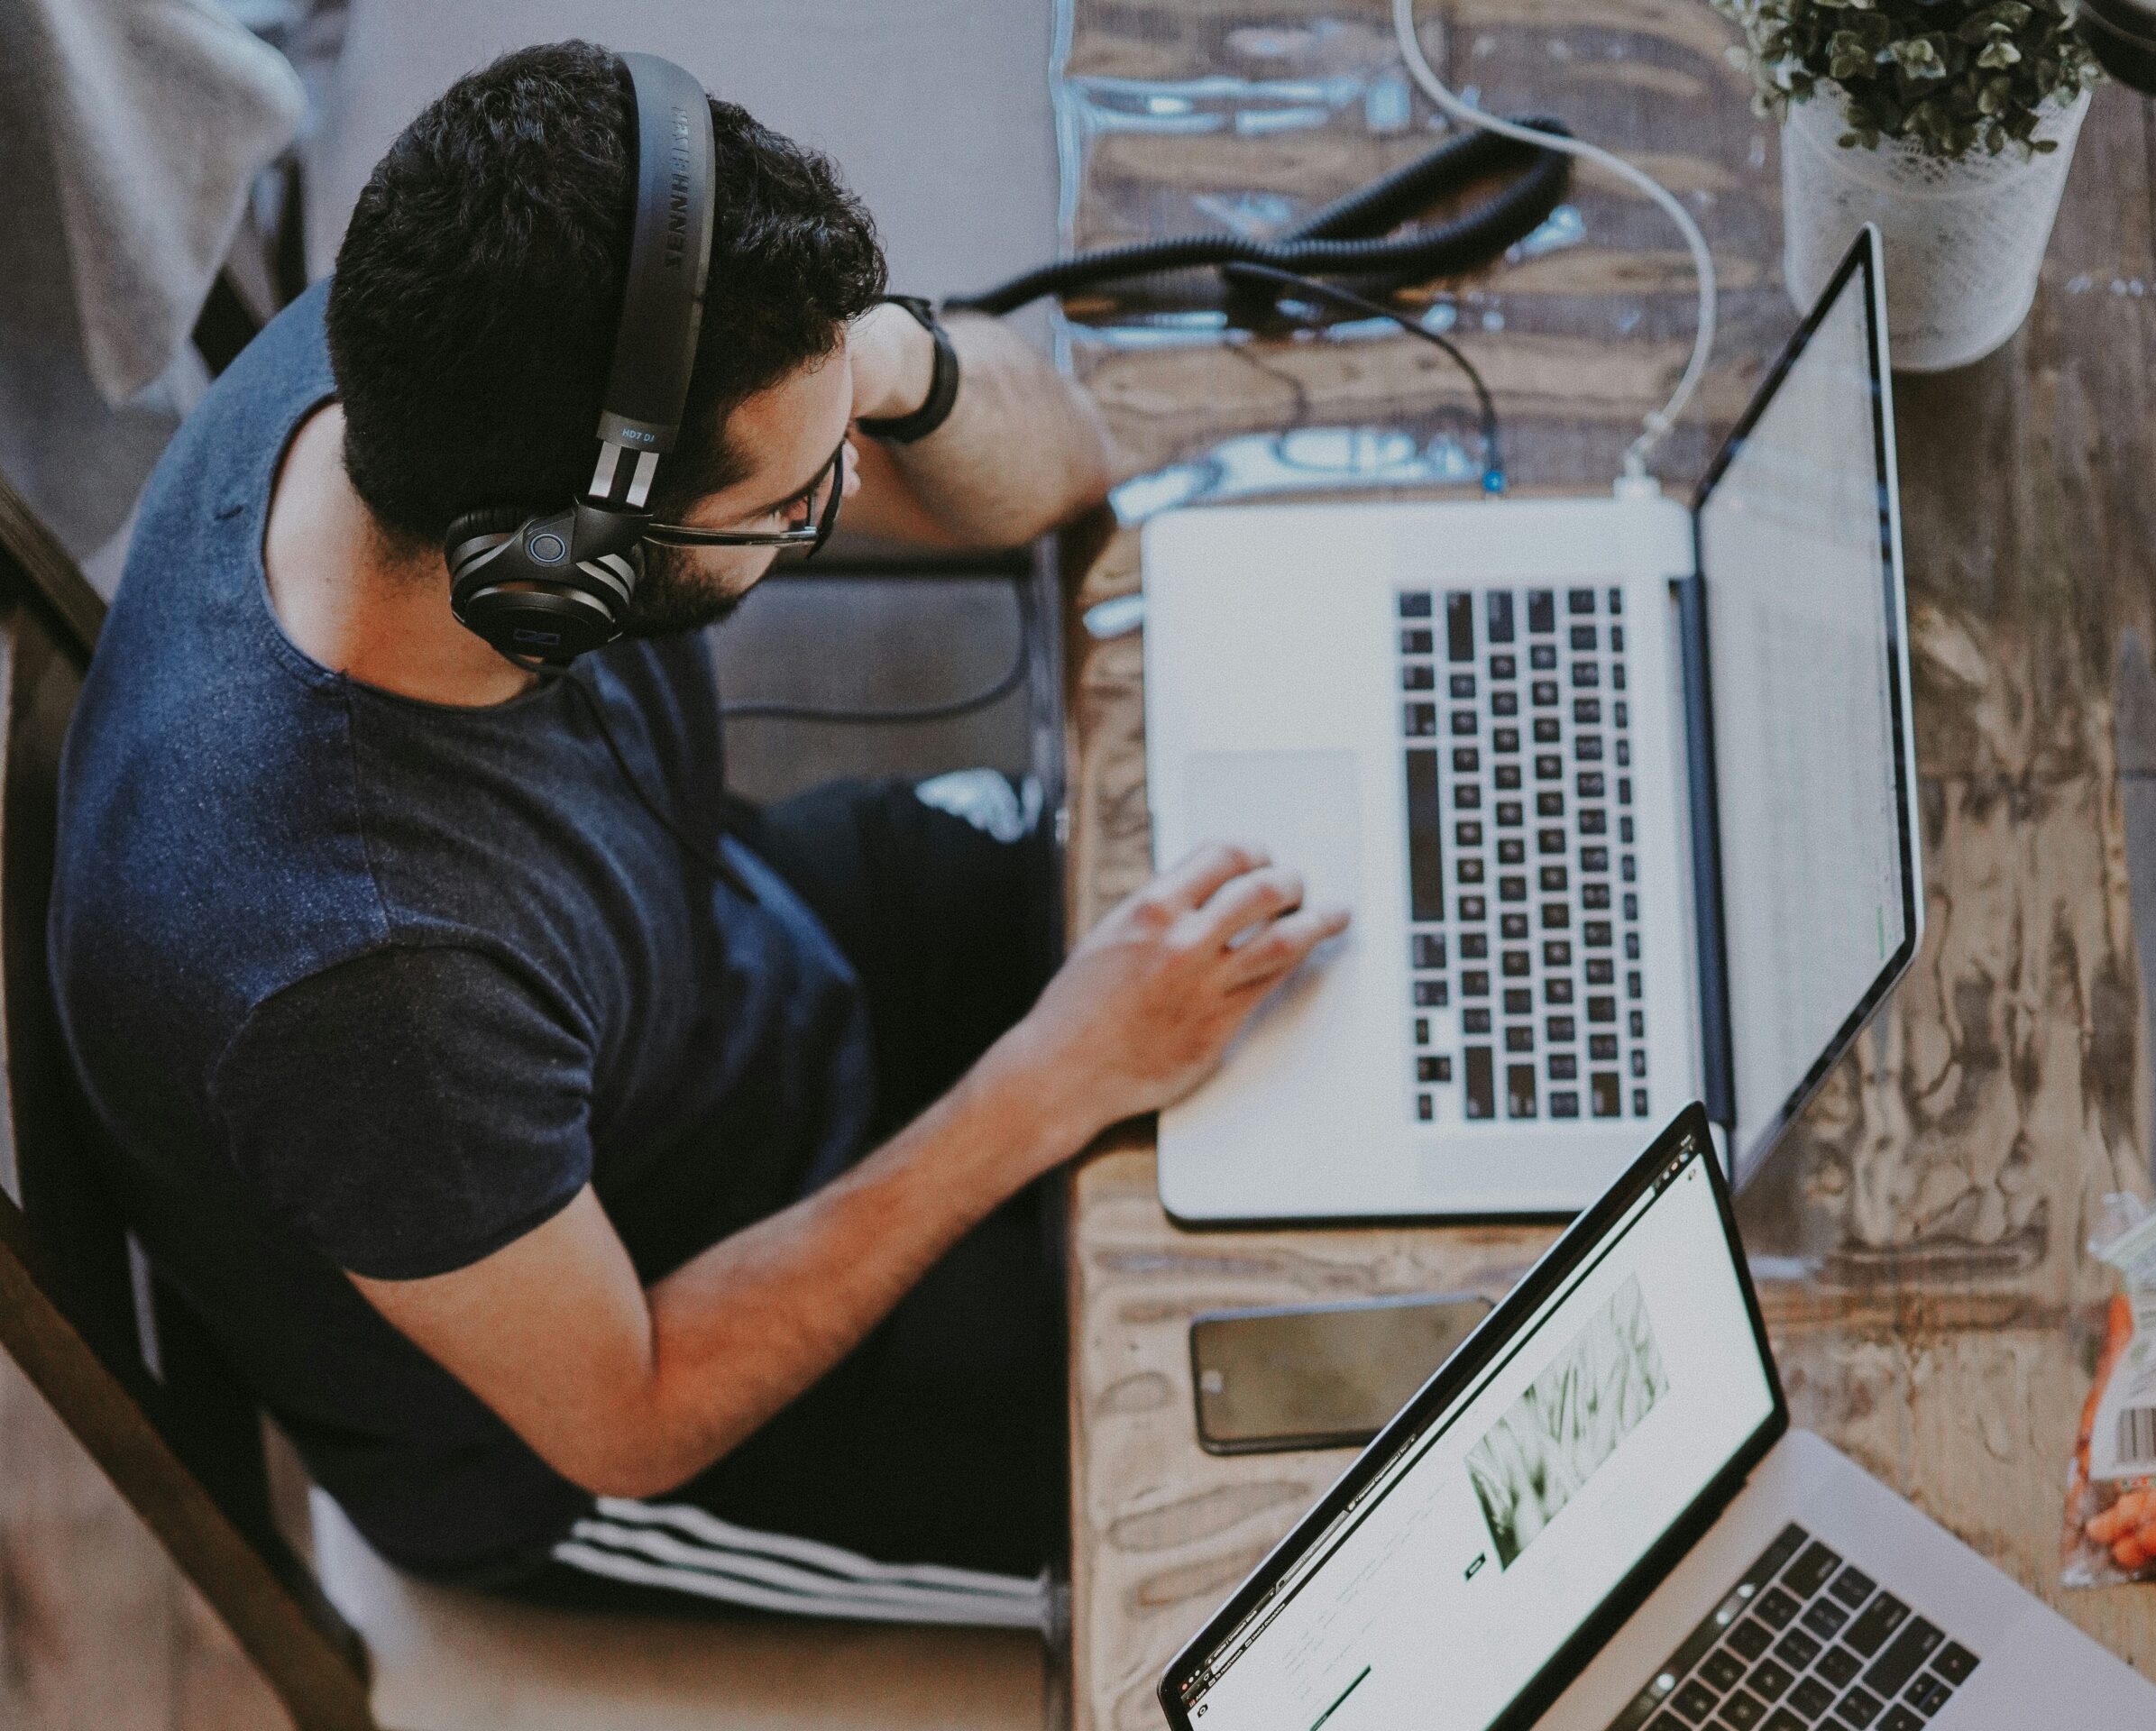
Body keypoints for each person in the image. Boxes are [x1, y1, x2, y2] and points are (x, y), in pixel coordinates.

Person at [47, 40, 1346, 1623]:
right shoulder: (364, 985)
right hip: (623, 1379)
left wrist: (873, 362)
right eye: (796, 503)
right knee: (1288, 1483)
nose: (844, 495)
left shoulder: (452, 347)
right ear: (563, 572)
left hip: (716, 976)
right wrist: (1049, 1083)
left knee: (1301, 932)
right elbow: (633, 1412)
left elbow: (1059, 465)